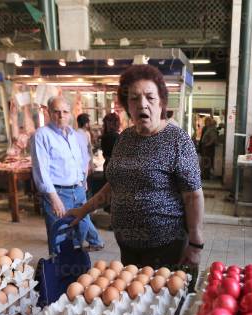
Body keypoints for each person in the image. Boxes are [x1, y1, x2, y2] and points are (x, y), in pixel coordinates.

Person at [68, 65, 204, 271]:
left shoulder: (177, 139)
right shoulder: (125, 138)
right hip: (128, 246)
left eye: (150, 97)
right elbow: (114, 185)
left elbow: (193, 195)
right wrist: (84, 210)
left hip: (166, 246)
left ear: (161, 102)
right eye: (134, 98)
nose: (142, 104)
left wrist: (195, 244)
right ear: (127, 106)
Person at [30, 97, 104, 254]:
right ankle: (59, 271)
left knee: (81, 231)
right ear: (49, 113)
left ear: (70, 114)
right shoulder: (41, 135)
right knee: (60, 238)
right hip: (58, 193)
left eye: (65, 112)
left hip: (78, 191)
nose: (61, 115)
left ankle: (75, 268)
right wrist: (54, 199)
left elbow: (81, 160)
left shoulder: (75, 135)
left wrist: (83, 181)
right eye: (56, 112)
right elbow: (41, 170)